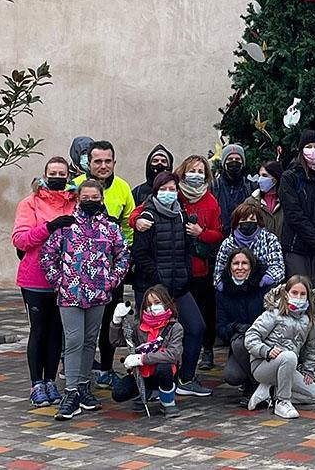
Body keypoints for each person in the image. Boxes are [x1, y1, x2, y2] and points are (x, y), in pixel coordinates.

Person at [39, 179, 129, 420]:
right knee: (74, 339)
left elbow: (122, 256)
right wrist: (59, 281)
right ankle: (70, 392)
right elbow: (47, 257)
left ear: (102, 199)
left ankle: (82, 386)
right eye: (85, 198)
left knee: (90, 340)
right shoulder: (66, 226)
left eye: (95, 198)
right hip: (70, 294)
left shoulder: (110, 228)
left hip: (98, 294)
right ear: (78, 199)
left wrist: (111, 280)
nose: (90, 202)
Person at [130, 171, 211, 397]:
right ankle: (152, 385)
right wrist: (158, 280)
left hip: (179, 286)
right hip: (152, 290)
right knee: (150, 337)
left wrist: (184, 275)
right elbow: (140, 253)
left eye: (172, 189)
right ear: (155, 192)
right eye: (163, 189)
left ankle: (185, 378)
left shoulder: (181, 215)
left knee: (196, 328)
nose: (168, 193)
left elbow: (187, 250)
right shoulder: (147, 217)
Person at [12, 157, 77, 407]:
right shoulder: (30, 203)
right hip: (35, 279)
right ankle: (36, 384)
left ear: (68, 176)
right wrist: (49, 227)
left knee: (56, 331)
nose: (57, 177)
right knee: (38, 331)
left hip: (66, 279)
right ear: (45, 174)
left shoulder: (76, 201)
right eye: (53, 173)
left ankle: (51, 380)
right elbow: (21, 239)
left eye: (62, 173)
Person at [73, 140, 135, 388]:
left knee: (110, 320)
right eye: (97, 161)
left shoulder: (122, 188)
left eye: (107, 161)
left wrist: (123, 257)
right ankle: (76, 373)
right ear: (88, 162)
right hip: (76, 272)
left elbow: (129, 225)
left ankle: (106, 369)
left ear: (114, 162)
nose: (103, 165)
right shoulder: (74, 186)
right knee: (78, 327)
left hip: (109, 272)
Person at [279, 130, 315, 377]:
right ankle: (295, 361)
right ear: (301, 149)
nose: (313, 151)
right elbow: (296, 216)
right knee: (298, 303)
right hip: (298, 249)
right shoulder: (290, 178)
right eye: (309, 146)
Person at [244, 276, 315, 419]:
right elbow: (251, 336)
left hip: (288, 367)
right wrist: (265, 351)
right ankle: (282, 402)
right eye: (294, 293)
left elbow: (313, 345)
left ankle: (270, 392)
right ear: (286, 293)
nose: (298, 297)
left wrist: (308, 369)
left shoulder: (310, 320)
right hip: (263, 365)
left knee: (314, 395)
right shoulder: (273, 313)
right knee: (289, 356)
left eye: (302, 294)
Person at [172, 155, 223, 371]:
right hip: (178, 266)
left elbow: (218, 234)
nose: (196, 175)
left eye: (200, 171)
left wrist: (201, 233)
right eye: (192, 170)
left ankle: (207, 351)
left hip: (201, 268)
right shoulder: (174, 195)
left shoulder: (210, 201)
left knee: (204, 312)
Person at [109, 286, 184, 417]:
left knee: (164, 368)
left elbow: (173, 354)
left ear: (166, 303)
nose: (153, 307)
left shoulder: (175, 327)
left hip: (165, 372)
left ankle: (168, 402)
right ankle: (145, 392)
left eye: (157, 303)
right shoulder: (139, 327)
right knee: (119, 393)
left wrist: (141, 359)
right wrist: (116, 321)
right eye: (149, 304)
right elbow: (117, 341)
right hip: (143, 373)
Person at [215, 247, 268, 392]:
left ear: (251, 266)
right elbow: (220, 328)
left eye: (244, 263)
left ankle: (259, 387)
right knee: (232, 376)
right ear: (229, 267)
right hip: (240, 344)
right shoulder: (222, 292)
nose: (240, 267)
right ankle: (255, 383)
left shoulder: (264, 288)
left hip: (265, 343)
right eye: (235, 263)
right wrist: (235, 327)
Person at [213, 200, 284, 289]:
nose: (248, 222)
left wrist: (265, 280)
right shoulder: (227, 244)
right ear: (236, 223)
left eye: (252, 219)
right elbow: (218, 272)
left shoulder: (269, 239)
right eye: (244, 220)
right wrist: (224, 286)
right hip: (234, 292)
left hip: (262, 290)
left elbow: (278, 268)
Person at [213, 144, 251, 235]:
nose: (234, 162)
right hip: (218, 239)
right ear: (223, 163)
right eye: (230, 159)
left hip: (243, 239)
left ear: (243, 163)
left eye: (237, 159)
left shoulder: (250, 187)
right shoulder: (214, 186)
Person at [252, 160, 285, 240]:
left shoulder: (286, 201)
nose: (260, 180)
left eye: (264, 175)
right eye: (259, 176)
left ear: (275, 178)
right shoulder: (251, 202)